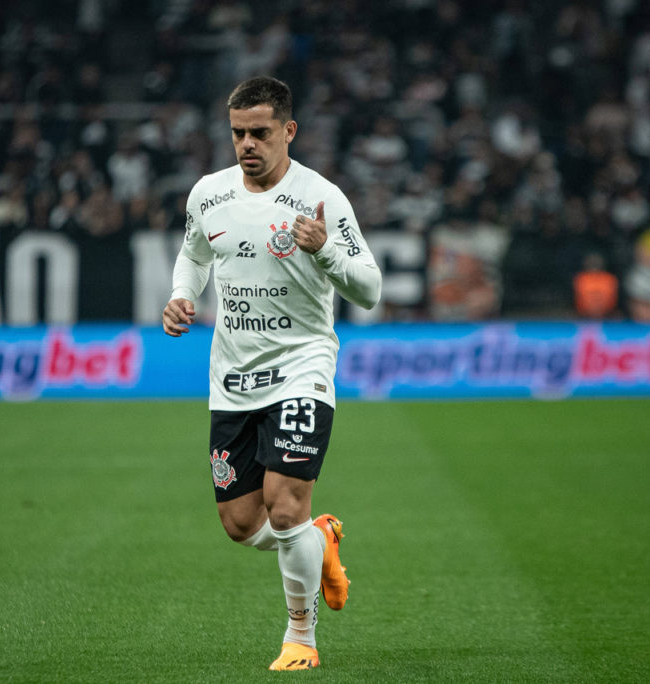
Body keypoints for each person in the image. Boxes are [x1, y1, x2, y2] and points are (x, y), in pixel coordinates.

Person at [162, 77, 382, 671]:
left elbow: (370, 289)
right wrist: (182, 295)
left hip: (302, 367)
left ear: (289, 131)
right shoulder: (208, 194)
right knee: (242, 523)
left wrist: (326, 252)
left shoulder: (323, 199)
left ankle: (301, 637)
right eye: (237, 133)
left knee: (286, 508)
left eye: (259, 132)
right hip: (231, 376)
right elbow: (193, 255)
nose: (246, 144)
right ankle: (322, 544)